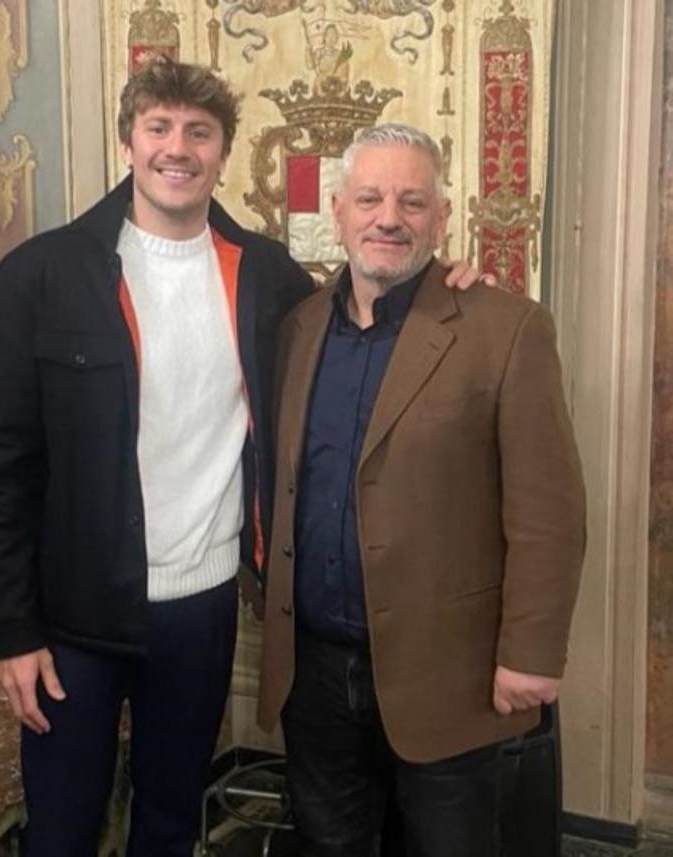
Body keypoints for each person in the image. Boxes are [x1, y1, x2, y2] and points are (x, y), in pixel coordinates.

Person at [0, 62, 481, 856]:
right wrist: (10, 630)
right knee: (62, 831)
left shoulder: (268, 276)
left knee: (172, 821)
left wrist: (447, 284)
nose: (178, 148)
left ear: (223, 152)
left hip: (201, 609)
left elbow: (367, 304)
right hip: (72, 614)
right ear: (128, 141)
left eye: (199, 132)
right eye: (159, 128)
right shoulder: (43, 273)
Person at [257, 123, 586, 857]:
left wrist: (531, 650)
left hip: (450, 674)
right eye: (369, 198)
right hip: (314, 672)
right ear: (338, 211)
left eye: (411, 202)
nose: (389, 218)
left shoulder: (506, 329)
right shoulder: (299, 329)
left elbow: (549, 514)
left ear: (441, 219)